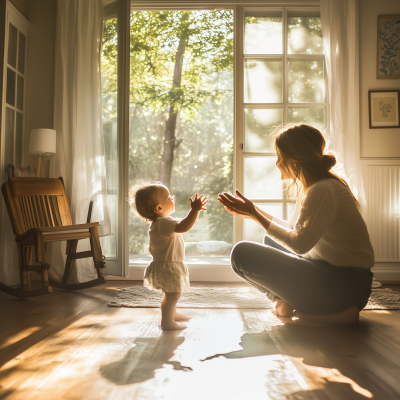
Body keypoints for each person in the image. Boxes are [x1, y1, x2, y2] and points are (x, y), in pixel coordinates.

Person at [218, 123, 374, 325]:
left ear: (295, 158)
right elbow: (293, 230)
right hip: (338, 278)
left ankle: (326, 312)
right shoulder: (314, 187)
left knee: (240, 254)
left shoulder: (323, 189)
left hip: (345, 286)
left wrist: (255, 215)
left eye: (280, 156)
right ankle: (286, 302)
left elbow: (299, 244)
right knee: (270, 238)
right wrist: (254, 212)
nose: (277, 163)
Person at [128, 183, 207, 330]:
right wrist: (194, 210)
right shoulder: (164, 222)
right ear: (159, 208)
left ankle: (172, 314)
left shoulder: (159, 223)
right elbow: (184, 227)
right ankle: (166, 322)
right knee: (172, 295)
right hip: (168, 266)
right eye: (168, 197)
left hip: (165, 265)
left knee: (173, 294)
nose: (173, 198)